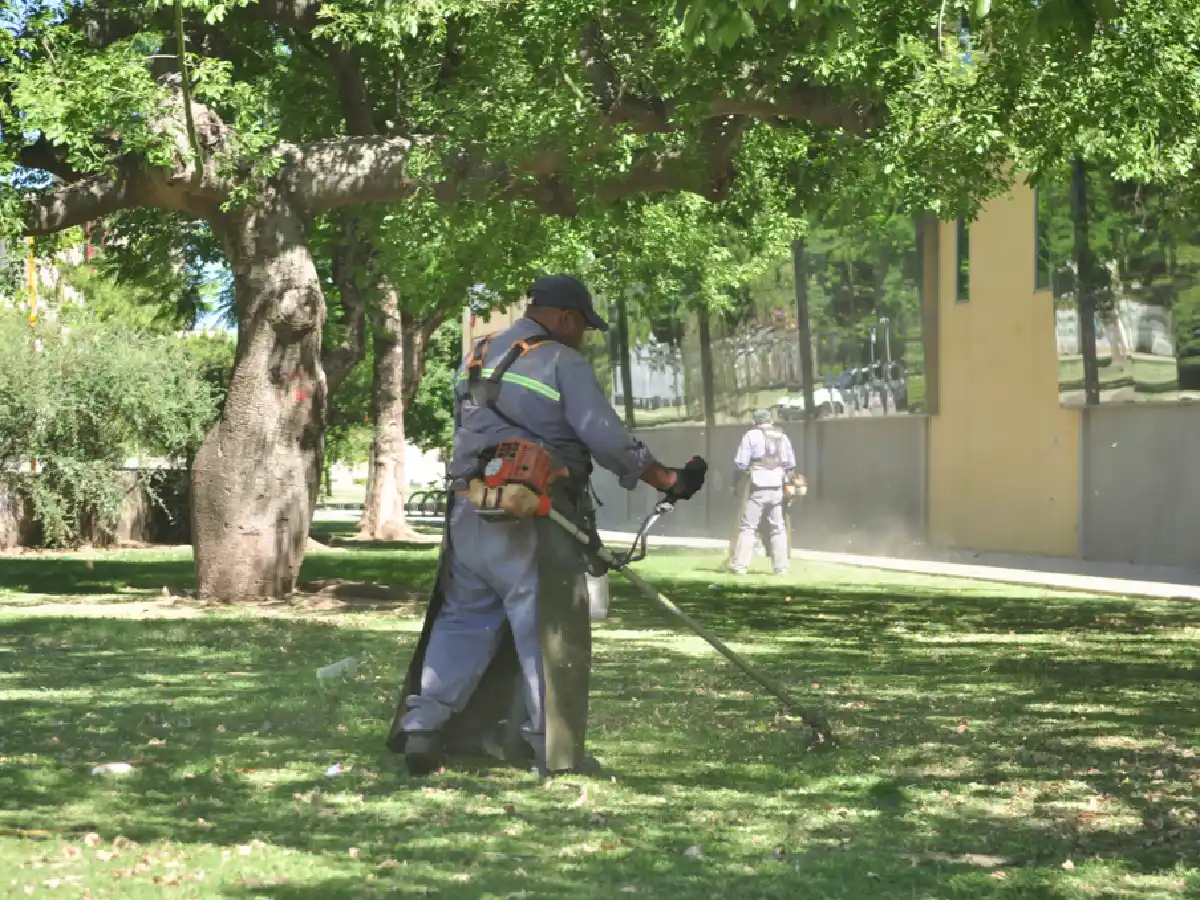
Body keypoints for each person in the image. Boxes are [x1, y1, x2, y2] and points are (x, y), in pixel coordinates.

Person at [386, 274, 707, 778]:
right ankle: (552, 750)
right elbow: (607, 438)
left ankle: (424, 728)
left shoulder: (476, 354)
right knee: (545, 628)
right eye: (582, 326)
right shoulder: (560, 361)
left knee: (463, 618)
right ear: (565, 317)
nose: (582, 337)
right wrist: (667, 478)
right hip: (533, 513)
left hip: (471, 507)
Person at [729, 408, 796, 576]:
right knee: (778, 527)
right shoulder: (782, 436)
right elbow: (791, 465)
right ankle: (781, 568)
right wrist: (788, 484)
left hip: (758, 486)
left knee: (748, 526)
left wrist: (734, 484)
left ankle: (740, 566)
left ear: (754, 422)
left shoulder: (750, 435)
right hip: (778, 486)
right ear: (771, 421)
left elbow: (741, 465)